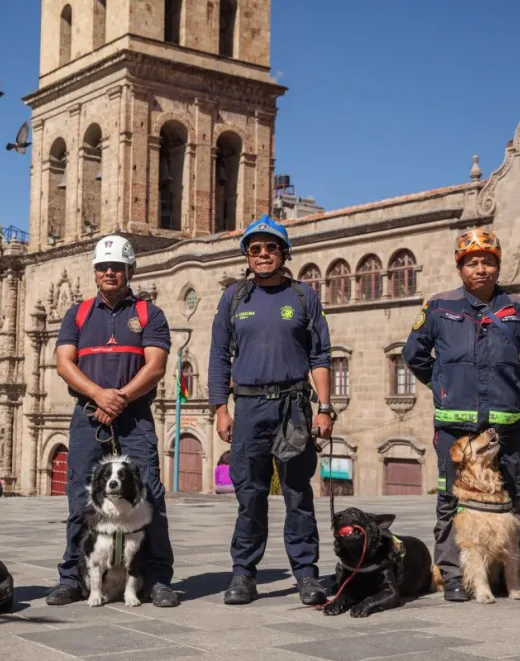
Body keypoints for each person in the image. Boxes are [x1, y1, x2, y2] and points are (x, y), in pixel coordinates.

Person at [402, 228, 520, 602]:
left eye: (487, 261)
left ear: (498, 266)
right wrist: (442, 385)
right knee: (449, 500)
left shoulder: (518, 311)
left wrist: (517, 395)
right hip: (455, 426)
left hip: (506, 426)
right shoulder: (439, 308)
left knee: (513, 499)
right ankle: (454, 575)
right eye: (472, 262)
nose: (480, 268)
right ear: (460, 268)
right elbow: (414, 354)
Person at [207, 214, 335, 607]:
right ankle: (244, 575)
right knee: (251, 496)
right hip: (248, 408)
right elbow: (218, 358)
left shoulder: (303, 296)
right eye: (255, 249)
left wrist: (325, 408)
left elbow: (320, 354)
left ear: (284, 253)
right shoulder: (234, 298)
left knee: (298, 494)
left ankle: (307, 575)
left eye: (270, 247)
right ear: (247, 255)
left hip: (294, 408)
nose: (263, 254)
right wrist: (220, 410)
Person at [46, 235, 179, 608]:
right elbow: (64, 363)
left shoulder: (149, 315)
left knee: (149, 495)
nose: (109, 273)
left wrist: (118, 398)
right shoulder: (78, 314)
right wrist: (97, 395)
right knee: (79, 499)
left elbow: (155, 367)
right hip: (88, 416)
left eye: (117, 268)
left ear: (130, 271)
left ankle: (157, 580)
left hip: (134, 418)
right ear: (94, 272)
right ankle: (72, 578)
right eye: (103, 267)